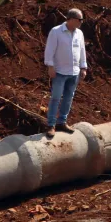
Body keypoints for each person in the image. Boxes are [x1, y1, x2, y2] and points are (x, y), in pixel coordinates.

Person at [43, 8, 88, 138]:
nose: (81, 22)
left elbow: (82, 50)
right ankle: (51, 125)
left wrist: (83, 67)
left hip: (74, 72)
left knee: (68, 98)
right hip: (60, 72)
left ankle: (61, 122)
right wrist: (50, 66)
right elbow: (49, 50)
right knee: (56, 97)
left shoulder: (79, 33)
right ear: (72, 19)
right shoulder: (56, 31)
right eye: (80, 20)